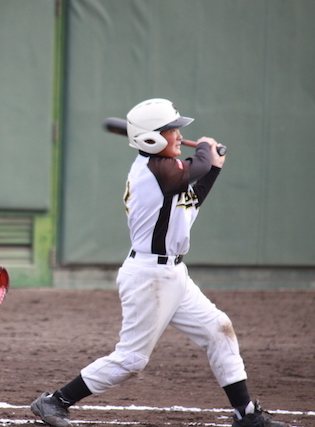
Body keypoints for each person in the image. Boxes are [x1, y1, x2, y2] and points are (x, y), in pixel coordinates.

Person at [30, 98, 287, 427]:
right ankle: (55, 401)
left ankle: (245, 414)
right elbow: (198, 167)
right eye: (173, 131)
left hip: (173, 273)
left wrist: (215, 168)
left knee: (218, 329)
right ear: (151, 139)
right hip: (149, 277)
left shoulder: (168, 174)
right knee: (132, 360)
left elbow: (190, 201)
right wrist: (208, 150)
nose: (180, 136)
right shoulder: (156, 170)